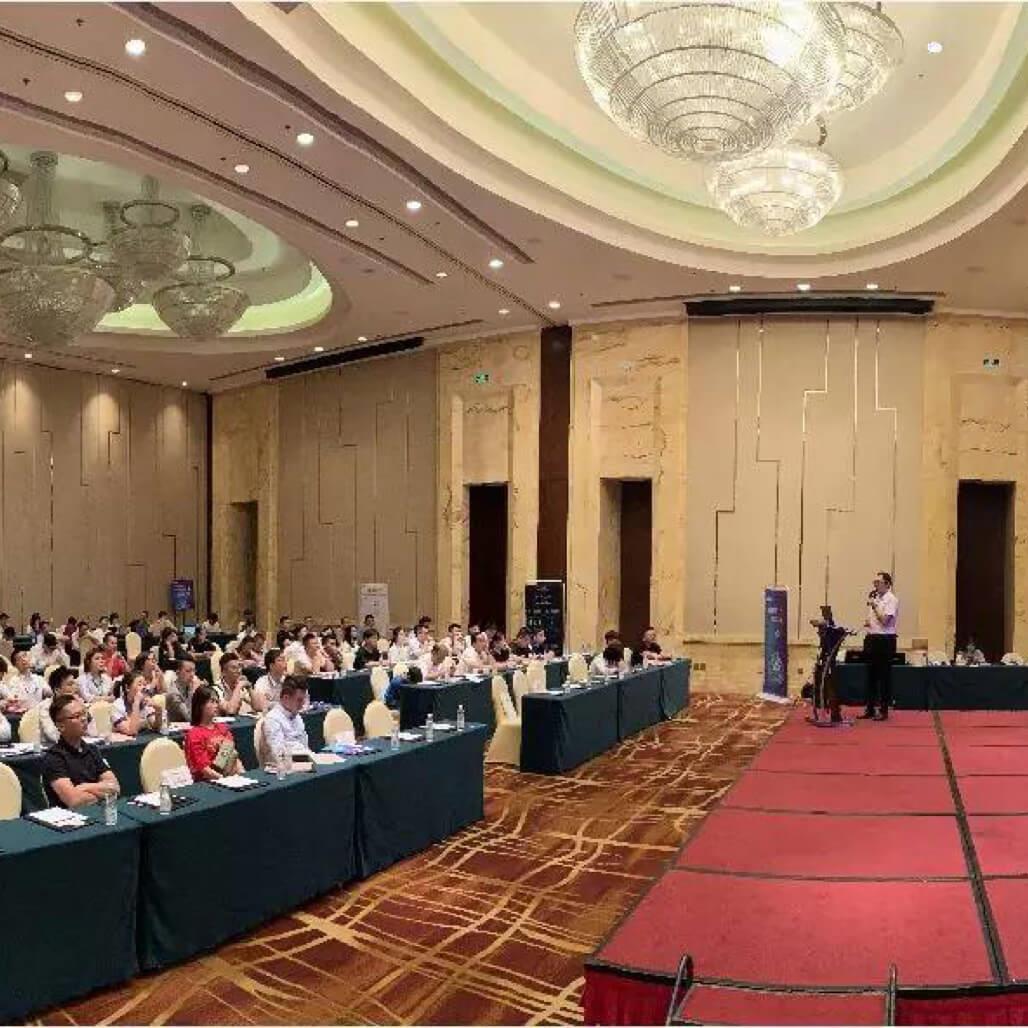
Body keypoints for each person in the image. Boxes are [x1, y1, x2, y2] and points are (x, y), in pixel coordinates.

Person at [40, 694, 119, 808]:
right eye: (76, 716)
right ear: (60, 726)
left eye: (84, 713)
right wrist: (102, 792)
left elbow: (115, 788)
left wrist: (83, 787)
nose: (83, 719)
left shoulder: (92, 750)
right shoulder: (54, 758)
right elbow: (74, 801)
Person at [862, 570, 899, 721]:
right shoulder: (876, 598)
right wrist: (868, 622)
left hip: (884, 640)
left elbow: (885, 621)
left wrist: (874, 606)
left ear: (887, 584)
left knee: (884, 676)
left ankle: (883, 710)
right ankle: (870, 708)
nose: (875, 585)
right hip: (872, 638)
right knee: (870, 675)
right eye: (874, 582)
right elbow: (873, 620)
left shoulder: (892, 600)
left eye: (878, 582)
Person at [184, 686, 242, 782]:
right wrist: (224, 780)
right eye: (212, 702)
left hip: (228, 777)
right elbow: (204, 770)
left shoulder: (223, 728)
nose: (216, 705)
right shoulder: (194, 735)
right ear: (201, 705)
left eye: (217, 702)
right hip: (207, 782)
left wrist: (242, 775)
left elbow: (234, 756)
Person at [261, 676, 310, 764]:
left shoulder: (297, 716)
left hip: (301, 762)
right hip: (283, 767)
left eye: (304, 700)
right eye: (299, 700)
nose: (303, 704)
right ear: (286, 698)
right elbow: (278, 753)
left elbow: (305, 745)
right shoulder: (272, 719)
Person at [39, 667, 87, 745]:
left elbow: (93, 732)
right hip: (53, 748)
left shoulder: (78, 704)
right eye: (70, 684)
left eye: (75, 684)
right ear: (57, 690)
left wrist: (84, 710)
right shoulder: (45, 707)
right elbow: (53, 736)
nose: (75, 688)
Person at [111, 671, 163, 737]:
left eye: (144, 684)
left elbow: (156, 726)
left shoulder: (144, 702)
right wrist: (136, 702)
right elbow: (132, 731)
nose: (144, 688)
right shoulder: (117, 706)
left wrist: (158, 709)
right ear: (127, 688)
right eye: (139, 684)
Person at [0, 648, 51, 713]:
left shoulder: (39, 679)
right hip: (22, 714)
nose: (23, 660)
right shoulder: (13, 681)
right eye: (19, 659)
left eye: (24, 656)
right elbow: (14, 701)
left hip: (40, 713)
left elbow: (50, 694)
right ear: (15, 665)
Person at [164, 658, 198, 724]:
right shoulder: (173, 693)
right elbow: (190, 718)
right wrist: (194, 692)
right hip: (175, 729)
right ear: (178, 673)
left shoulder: (189, 687)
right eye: (188, 671)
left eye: (194, 671)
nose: (192, 675)